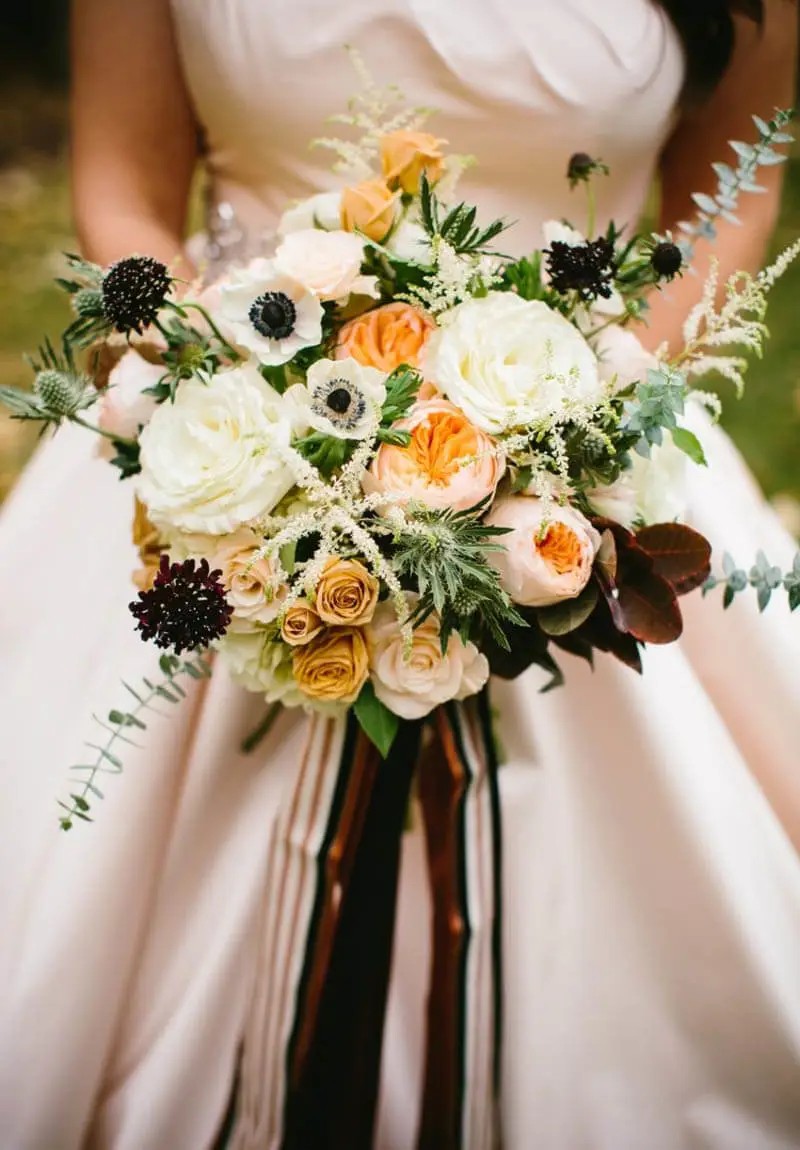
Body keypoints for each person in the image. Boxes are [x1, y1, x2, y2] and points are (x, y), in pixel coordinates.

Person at [1, 0, 799, 1146]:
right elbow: (125, 184)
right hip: (229, 436)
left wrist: (570, 432)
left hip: (587, 447)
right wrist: (234, 412)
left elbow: (733, 194)